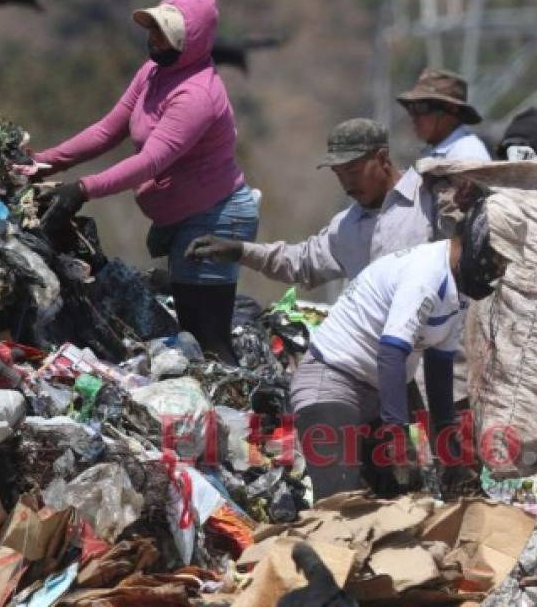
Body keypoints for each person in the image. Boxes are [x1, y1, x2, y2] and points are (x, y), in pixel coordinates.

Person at [14, 0, 258, 364]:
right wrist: (46, 163)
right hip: (182, 215)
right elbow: (107, 131)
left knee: (207, 341)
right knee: (190, 336)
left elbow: (150, 162)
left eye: (165, 32)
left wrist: (83, 189)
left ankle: (239, 416)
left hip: (216, 218)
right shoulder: (153, 73)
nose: (154, 39)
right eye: (153, 29)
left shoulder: (197, 95)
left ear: (190, 41)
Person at [291, 198, 506, 500]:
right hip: (332, 382)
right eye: (496, 260)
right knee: (342, 501)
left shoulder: (456, 289)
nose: (497, 270)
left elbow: (438, 368)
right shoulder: (425, 276)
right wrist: (396, 434)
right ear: (476, 245)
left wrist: (451, 454)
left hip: (376, 393)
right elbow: (391, 352)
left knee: (402, 496)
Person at [185, 118, 436, 290]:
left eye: (353, 171)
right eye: (339, 174)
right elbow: (301, 262)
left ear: (382, 159)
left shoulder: (431, 198)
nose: (347, 184)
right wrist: (240, 251)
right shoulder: (346, 227)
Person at [397, 68, 491, 162]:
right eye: (411, 108)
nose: (414, 117)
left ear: (451, 108)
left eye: (421, 107)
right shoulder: (437, 152)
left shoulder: (467, 154)